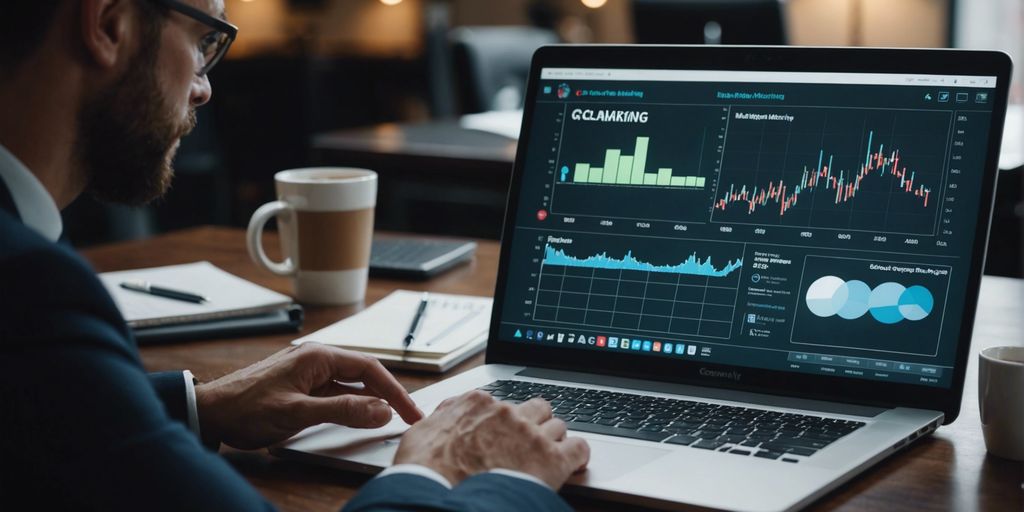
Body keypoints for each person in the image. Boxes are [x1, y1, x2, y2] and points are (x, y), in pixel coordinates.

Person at [0, 1, 590, 510]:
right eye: (203, 38)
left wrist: (197, 407)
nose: (205, 85)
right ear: (107, 23)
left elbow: (37, 417)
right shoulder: (32, 288)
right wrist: (440, 467)